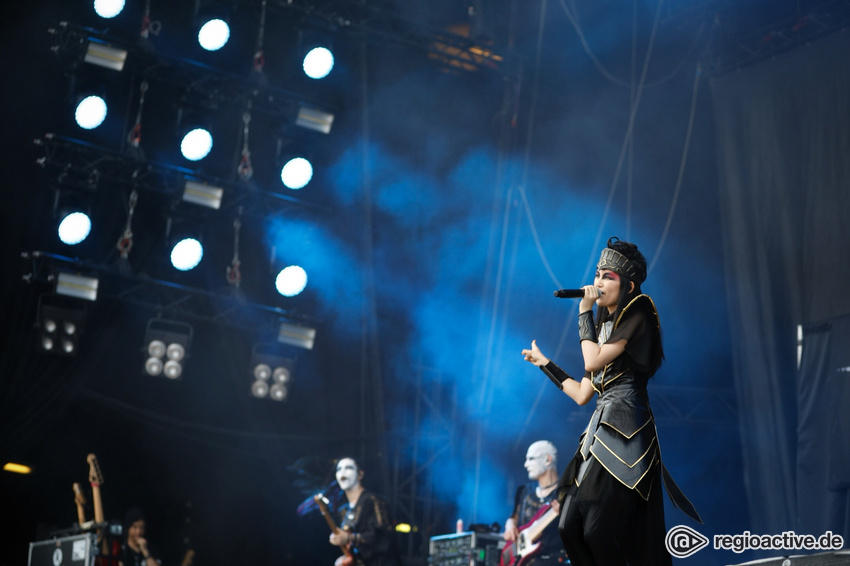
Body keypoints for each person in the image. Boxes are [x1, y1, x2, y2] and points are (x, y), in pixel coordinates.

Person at [521, 237, 700, 566]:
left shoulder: (641, 311)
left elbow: (592, 361)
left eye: (608, 277)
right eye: (598, 274)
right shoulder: (605, 327)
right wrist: (545, 364)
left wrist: (583, 311)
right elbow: (582, 394)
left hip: (626, 432)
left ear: (628, 285)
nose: (598, 282)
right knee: (568, 527)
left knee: (596, 531)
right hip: (598, 433)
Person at [502, 440, 568, 565]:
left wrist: (565, 512)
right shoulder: (525, 491)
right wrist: (510, 524)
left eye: (530, 459)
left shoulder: (564, 492)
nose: (526, 465)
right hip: (522, 560)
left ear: (548, 460)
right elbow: (514, 517)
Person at [328, 457, 402, 566]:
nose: (342, 472)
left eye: (348, 468)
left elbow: (384, 538)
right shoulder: (343, 510)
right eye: (339, 469)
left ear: (360, 474)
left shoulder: (373, 501)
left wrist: (348, 537)